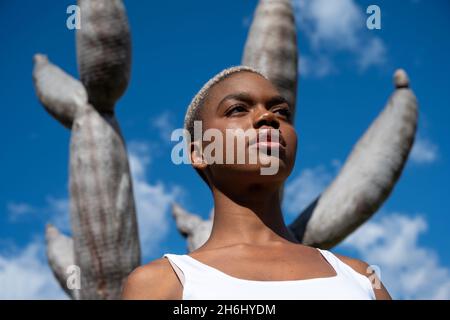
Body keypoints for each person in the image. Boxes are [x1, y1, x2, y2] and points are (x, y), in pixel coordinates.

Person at [121, 66, 392, 300]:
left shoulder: (362, 279)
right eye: (237, 109)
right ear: (199, 152)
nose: (268, 117)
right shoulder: (162, 284)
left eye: (281, 112)